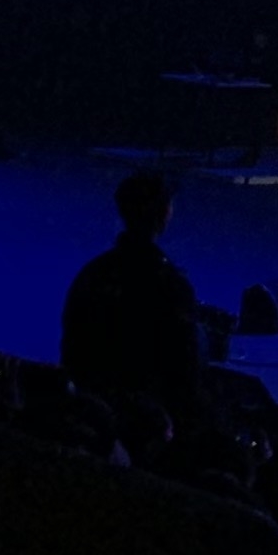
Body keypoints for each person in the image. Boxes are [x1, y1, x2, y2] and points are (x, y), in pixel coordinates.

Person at [59, 169, 203, 421]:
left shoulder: (94, 273)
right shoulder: (170, 283)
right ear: (164, 214)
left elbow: (72, 341)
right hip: (143, 414)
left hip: (90, 404)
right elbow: (184, 364)